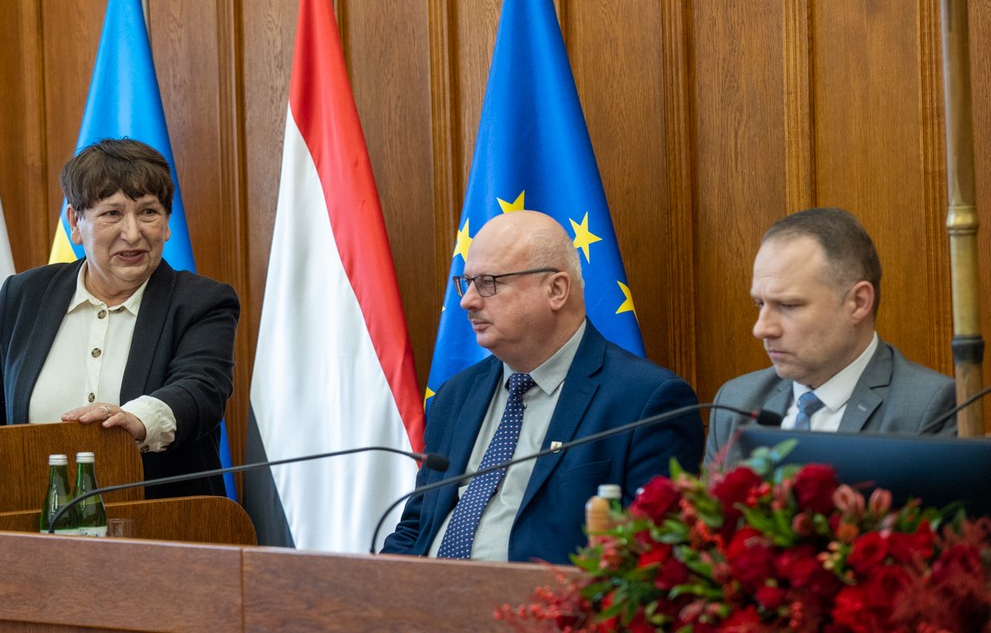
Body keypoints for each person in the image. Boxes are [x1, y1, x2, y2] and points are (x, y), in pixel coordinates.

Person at [0, 138, 239, 497]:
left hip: (166, 522)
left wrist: (134, 420)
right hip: (39, 525)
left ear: (167, 223)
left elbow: (199, 390)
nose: (132, 232)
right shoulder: (26, 296)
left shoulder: (200, 302)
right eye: (112, 213)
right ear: (75, 222)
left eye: (148, 212)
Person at [381, 211, 703, 564]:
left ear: (556, 290)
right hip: (429, 593)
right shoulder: (455, 395)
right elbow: (416, 528)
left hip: (539, 597)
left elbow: (647, 557)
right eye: (468, 282)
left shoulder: (646, 401)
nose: (467, 300)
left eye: (488, 282)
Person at [704, 207, 956, 466]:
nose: (761, 329)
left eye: (789, 305)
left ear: (858, 303)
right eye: (760, 303)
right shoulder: (735, 402)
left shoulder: (927, 408)